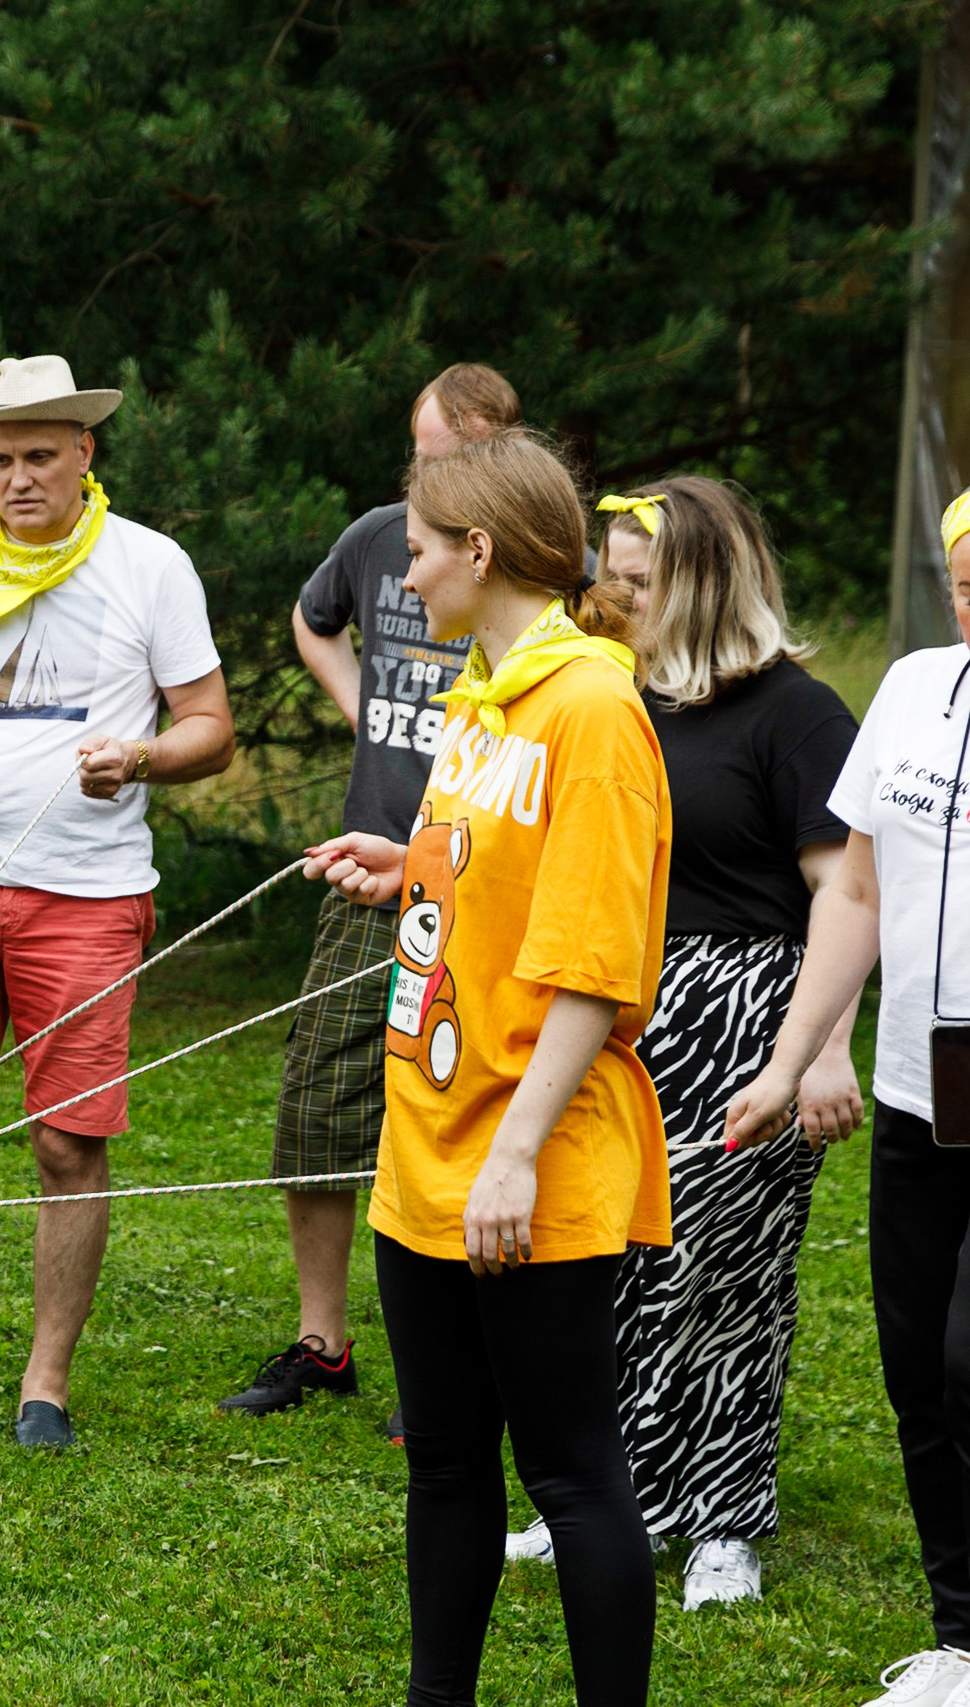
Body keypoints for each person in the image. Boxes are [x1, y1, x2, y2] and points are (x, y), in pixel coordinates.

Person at [305, 430, 669, 1706]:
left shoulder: (591, 710)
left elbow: (592, 961)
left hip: (532, 1155)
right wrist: (399, 865)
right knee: (446, 1461)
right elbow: (487, 882)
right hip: (425, 1142)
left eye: (414, 551)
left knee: (569, 1470)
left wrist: (515, 1150)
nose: (400, 579)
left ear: (479, 549)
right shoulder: (479, 693)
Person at [0, 354, 234, 1450]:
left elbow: (210, 725)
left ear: (83, 453)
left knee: (67, 1145)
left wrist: (145, 759)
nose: (15, 479)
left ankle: (44, 1386)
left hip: (91, 894)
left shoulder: (149, 566)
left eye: (35, 457)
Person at [494, 479, 861, 1609]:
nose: (614, 593)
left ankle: (725, 1521)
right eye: (611, 570)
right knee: (614, 1273)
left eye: (641, 578)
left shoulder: (794, 713)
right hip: (616, 1017)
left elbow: (843, 899)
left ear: (705, 581)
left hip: (749, 1017)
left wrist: (821, 1054)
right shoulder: (613, 697)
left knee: (728, 1280)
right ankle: (618, 1501)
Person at [224, 363, 515, 1430]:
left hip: (479, 877)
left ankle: (453, 1358)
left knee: (454, 1104)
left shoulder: (535, 564)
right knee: (318, 1099)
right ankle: (324, 1346)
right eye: (418, 452)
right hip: (369, 859)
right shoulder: (378, 536)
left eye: (443, 457)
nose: (421, 478)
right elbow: (313, 620)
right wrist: (358, 706)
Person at [721, 487, 970, 1706]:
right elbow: (857, 896)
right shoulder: (919, 687)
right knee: (916, 1366)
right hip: (928, 1092)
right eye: (967, 584)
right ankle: (958, 1639)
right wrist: (790, 1059)